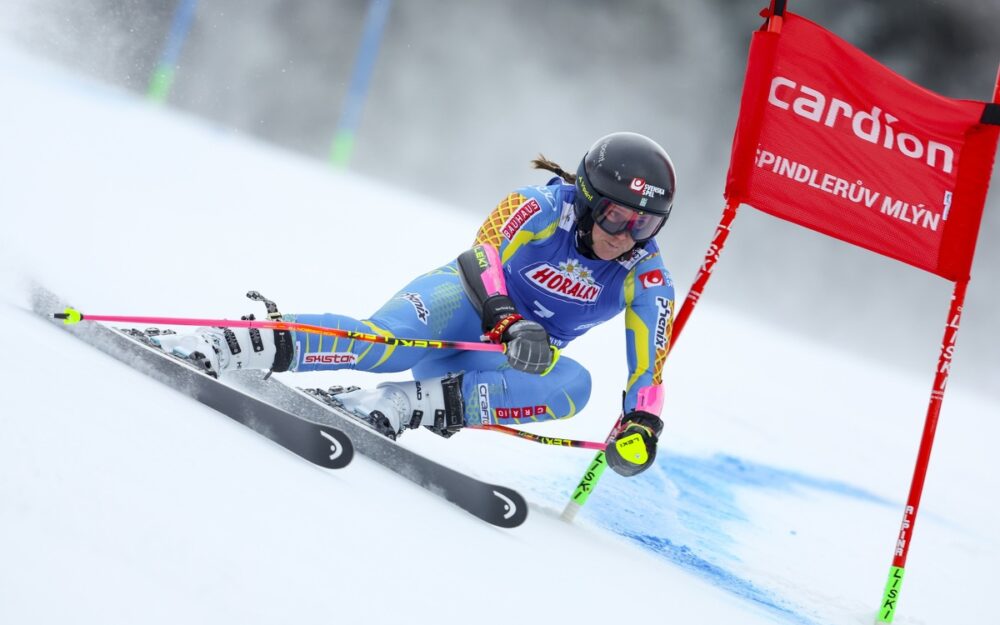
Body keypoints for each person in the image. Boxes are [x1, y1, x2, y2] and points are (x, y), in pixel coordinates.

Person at [155, 132, 676, 477]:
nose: (624, 235)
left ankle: (398, 404)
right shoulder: (539, 206)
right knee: (388, 345)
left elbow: (648, 370)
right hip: (463, 306)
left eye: (645, 224)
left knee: (574, 385)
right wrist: (506, 319)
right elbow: (482, 254)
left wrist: (640, 425)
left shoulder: (646, 274)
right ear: (586, 198)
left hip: (493, 361)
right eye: (615, 216)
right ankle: (230, 341)